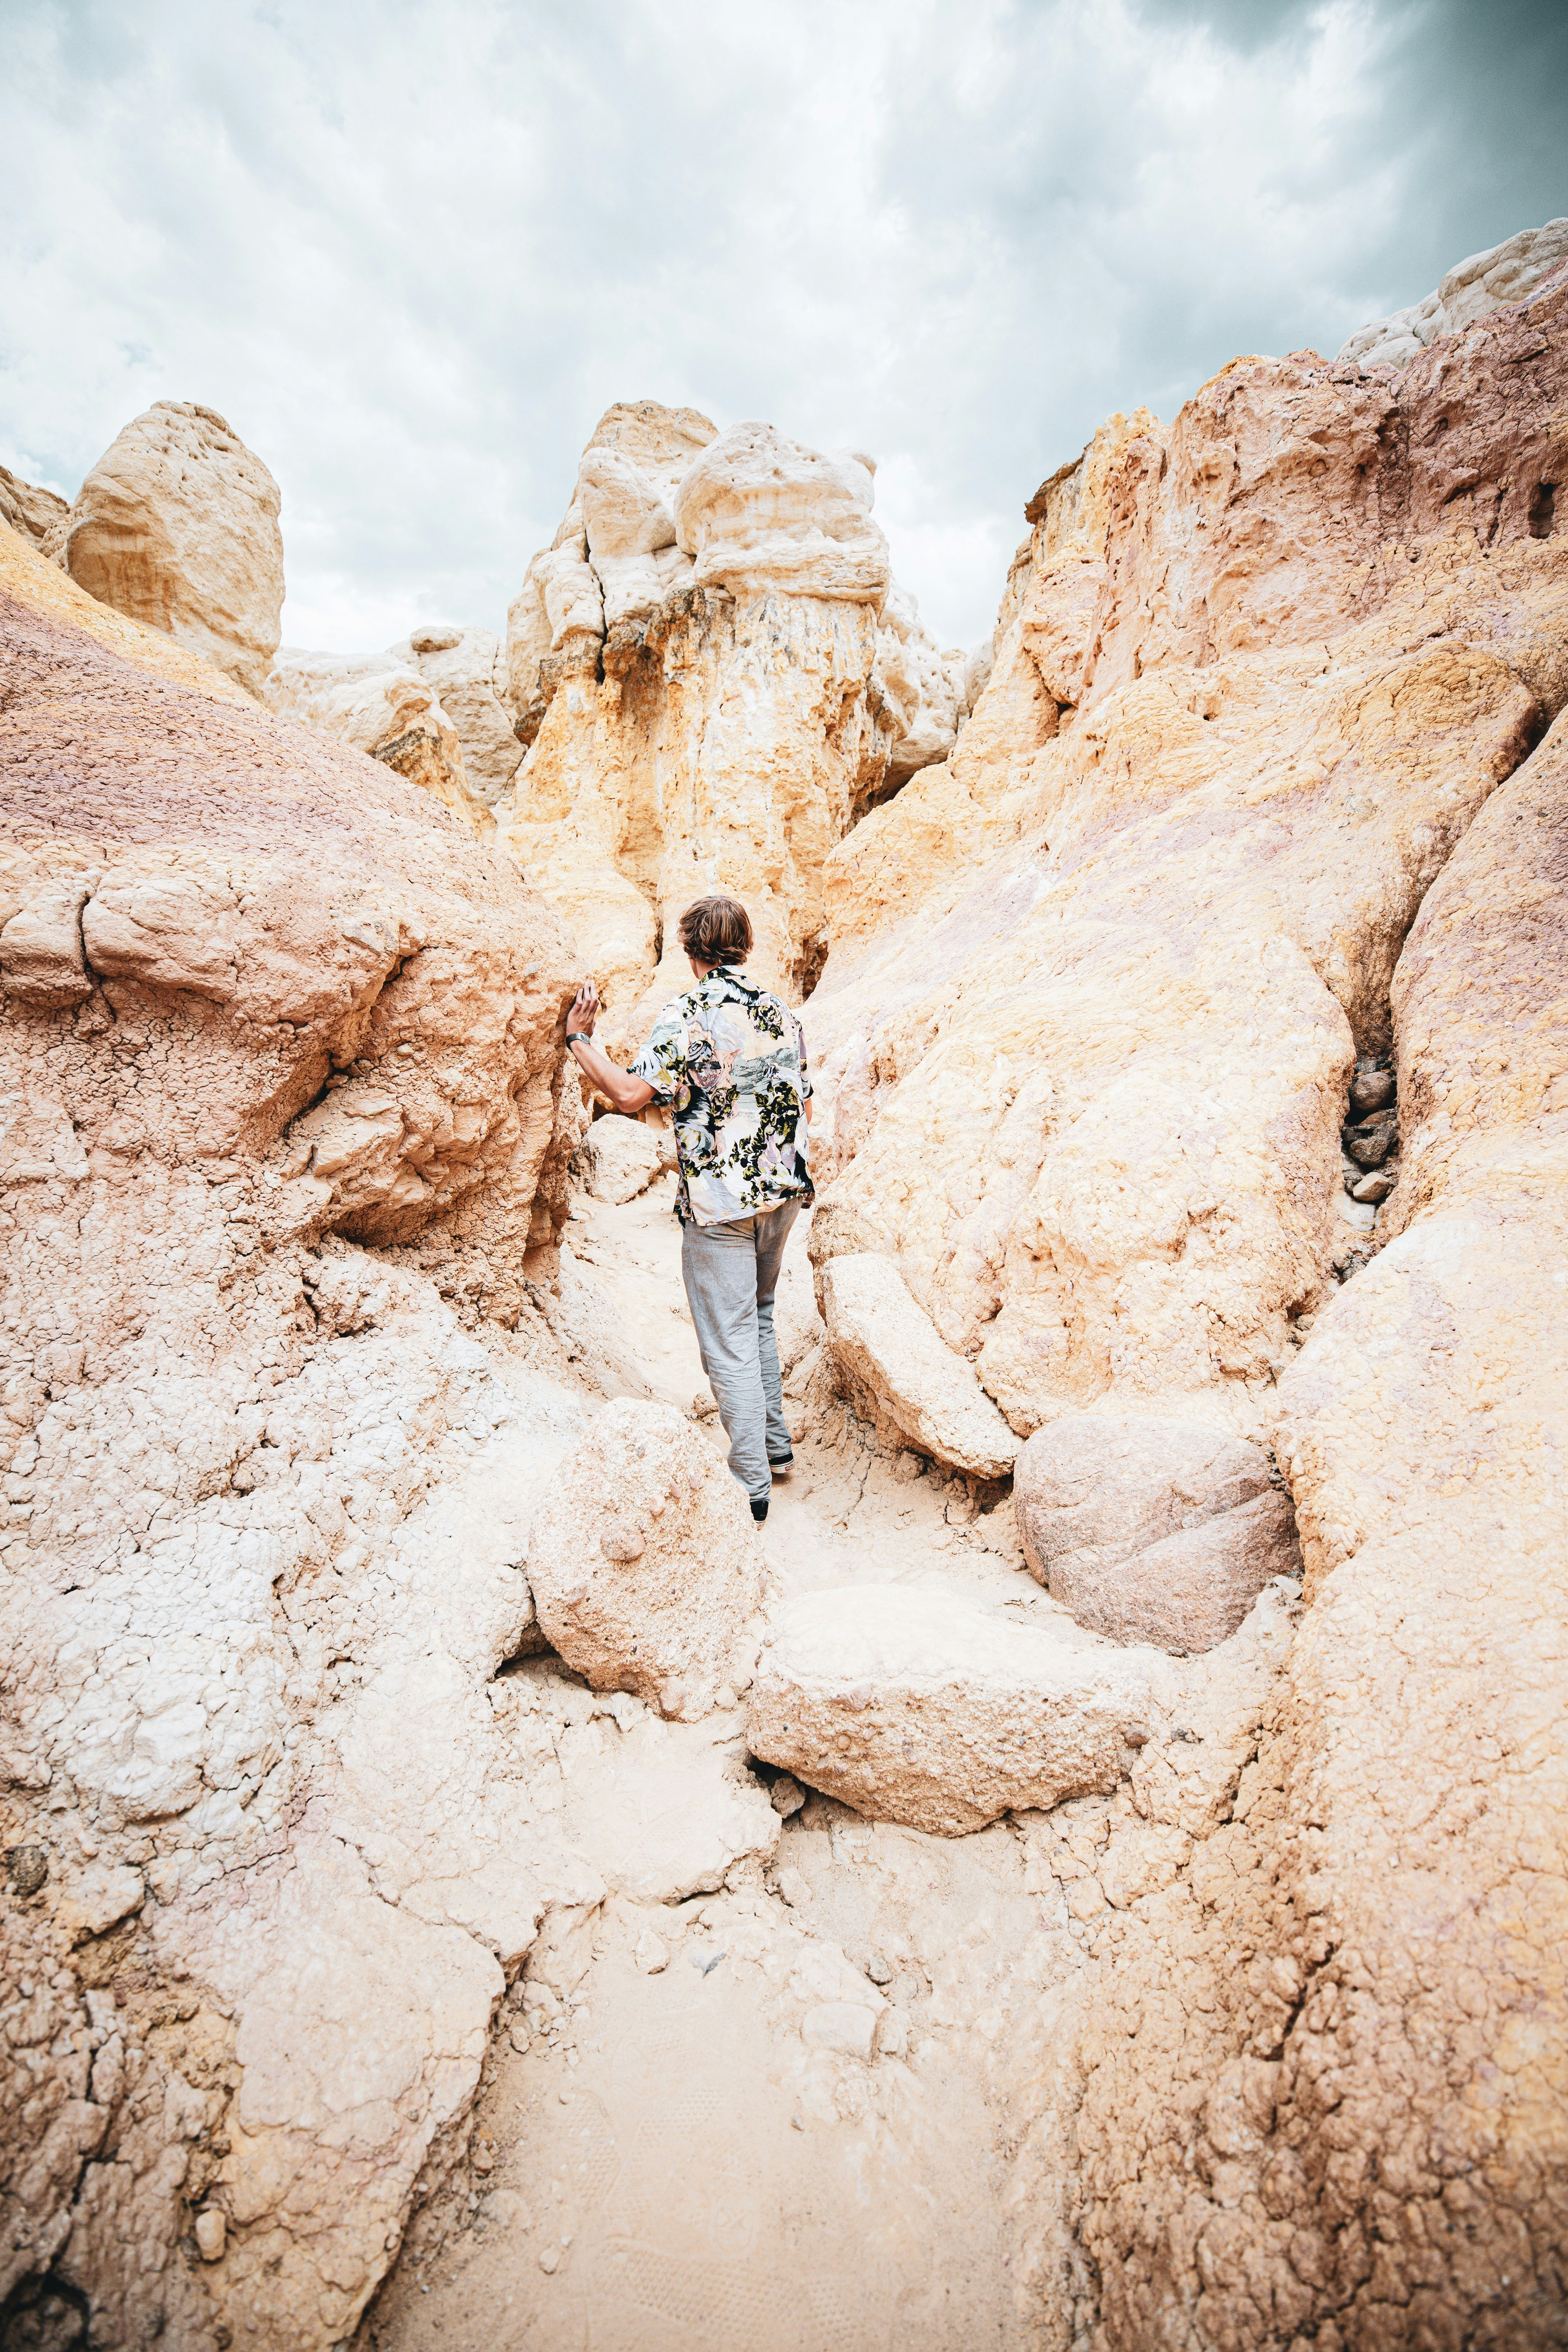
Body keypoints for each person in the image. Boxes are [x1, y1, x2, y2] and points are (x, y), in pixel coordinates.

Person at [563, 895, 813, 1525]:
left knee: (727, 1341)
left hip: (722, 1201)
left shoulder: (688, 1012)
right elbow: (802, 1103)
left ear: (689, 950)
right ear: (745, 947)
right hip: (781, 1190)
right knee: (757, 1316)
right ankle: (775, 1448)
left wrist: (578, 1039)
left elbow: (625, 1094)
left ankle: (750, 1485)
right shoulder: (780, 1012)